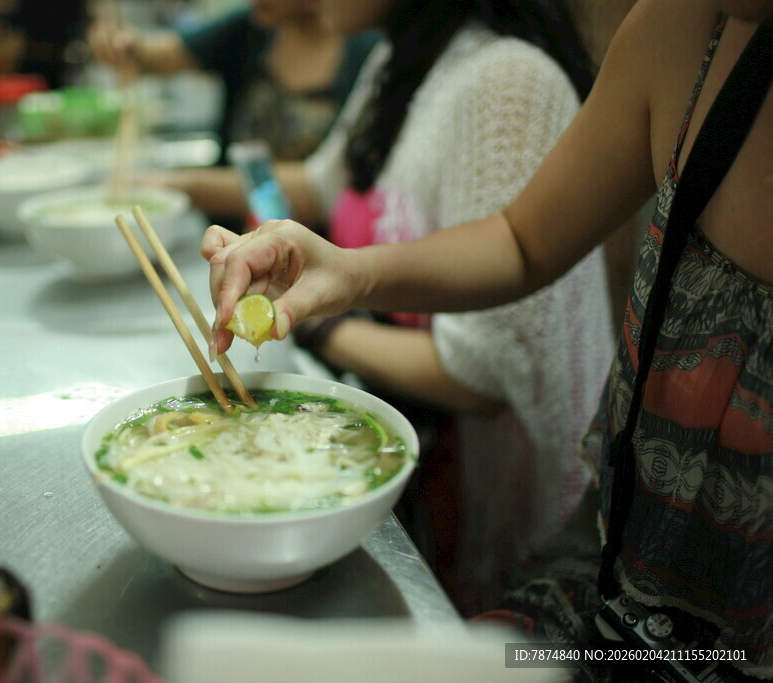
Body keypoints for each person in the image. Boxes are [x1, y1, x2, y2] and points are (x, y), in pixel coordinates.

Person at [202, 0, 772, 675]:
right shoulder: (685, 29)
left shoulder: (506, 80)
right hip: (622, 571)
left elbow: (484, 367)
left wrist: (331, 329)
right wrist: (348, 274)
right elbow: (522, 239)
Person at [88, 0, 380, 164]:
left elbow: (328, 187)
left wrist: (179, 184)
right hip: (227, 236)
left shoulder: (367, 52)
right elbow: (159, 56)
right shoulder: (249, 29)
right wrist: (127, 44)